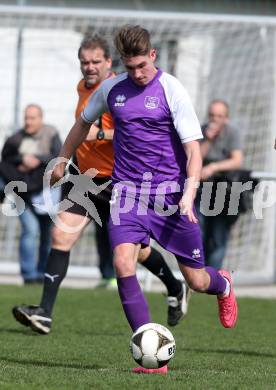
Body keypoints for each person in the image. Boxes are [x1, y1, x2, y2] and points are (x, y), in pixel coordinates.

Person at [43, 25, 238, 374]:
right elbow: (81, 123)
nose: (136, 74)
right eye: (130, 68)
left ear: (153, 55)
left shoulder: (171, 89)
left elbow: (193, 149)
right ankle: (151, 355)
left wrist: (190, 194)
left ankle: (222, 284)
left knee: (196, 280)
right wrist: (63, 158)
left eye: (141, 66)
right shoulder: (111, 89)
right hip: (128, 192)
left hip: (171, 195)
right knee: (123, 263)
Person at [12, 35, 188, 336]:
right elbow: (82, 128)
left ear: (109, 62)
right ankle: (44, 313)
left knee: (138, 252)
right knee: (61, 234)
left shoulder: (123, 90)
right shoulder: (83, 87)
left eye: (96, 62)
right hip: (84, 179)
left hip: (118, 181)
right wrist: (64, 159)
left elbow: (130, 129)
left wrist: (101, 135)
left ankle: (176, 286)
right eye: (84, 62)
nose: (89, 67)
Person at [0, 104, 61, 283]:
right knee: (30, 230)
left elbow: (59, 158)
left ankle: (44, 274)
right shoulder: (15, 139)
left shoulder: (51, 134)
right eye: (26, 117)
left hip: (48, 194)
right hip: (23, 195)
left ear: (41, 119)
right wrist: (22, 158)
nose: (28, 122)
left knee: (47, 236)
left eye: (32, 118)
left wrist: (38, 159)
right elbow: (5, 161)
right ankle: (28, 275)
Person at [196, 100, 243, 269]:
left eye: (219, 116)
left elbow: (237, 161)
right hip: (202, 189)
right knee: (198, 230)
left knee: (218, 235)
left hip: (225, 189)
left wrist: (214, 167)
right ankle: (199, 272)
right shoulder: (201, 130)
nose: (215, 119)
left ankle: (213, 276)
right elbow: (195, 159)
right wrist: (208, 140)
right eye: (212, 115)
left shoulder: (233, 132)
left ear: (226, 118)